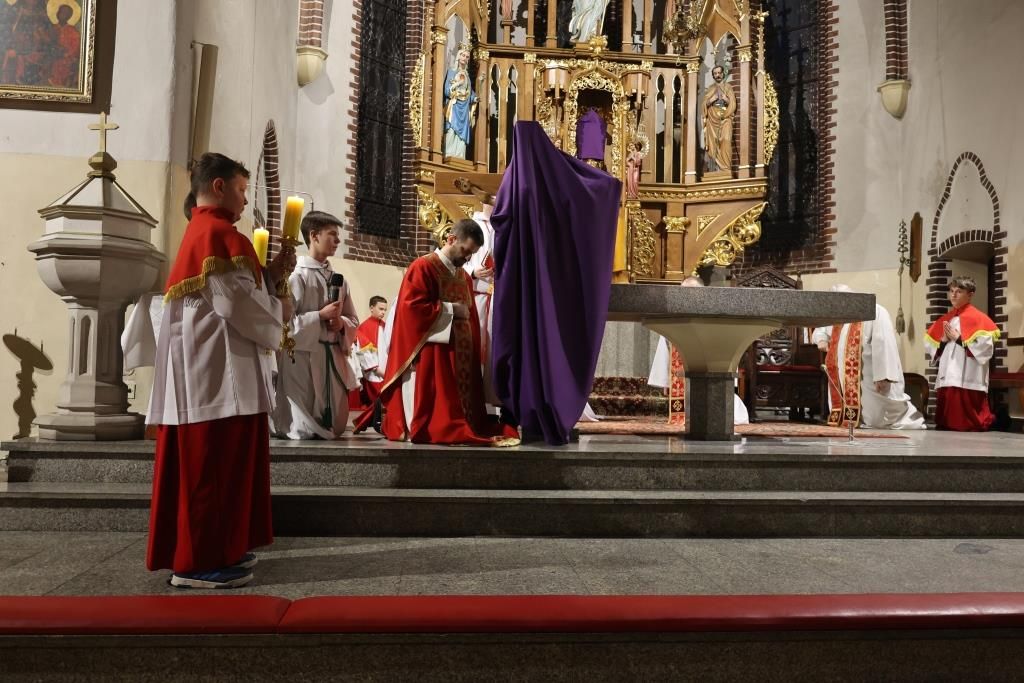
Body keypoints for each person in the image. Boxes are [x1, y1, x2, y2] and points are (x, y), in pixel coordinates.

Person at [125, 152, 294, 589]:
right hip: (216, 378)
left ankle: (221, 548)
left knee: (219, 469)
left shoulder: (203, 232)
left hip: (213, 373)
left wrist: (269, 276)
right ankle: (197, 564)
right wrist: (280, 311)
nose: (245, 200)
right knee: (211, 470)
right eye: (241, 189)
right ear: (218, 187)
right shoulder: (218, 234)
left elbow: (233, 292)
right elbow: (236, 303)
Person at [354, 219, 519, 446]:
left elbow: (470, 316)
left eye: (472, 254)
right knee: (436, 418)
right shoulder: (423, 267)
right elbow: (412, 309)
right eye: (465, 251)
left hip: (457, 356)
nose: (467, 258)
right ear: (451, 239)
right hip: (431, 356)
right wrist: (451, 309)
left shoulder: (463, 276)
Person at [273, 211, 359, 439]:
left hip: (331, 355)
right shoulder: (297, 276)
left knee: (334, 422)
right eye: (332, 234)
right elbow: (285, 325)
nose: (338, 240)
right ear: (314, 236)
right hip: (302, 356)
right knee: (302, 424)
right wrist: (319, 316)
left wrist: (341, 324)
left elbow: (353, 320)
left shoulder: (339, 279)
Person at [811, 285, 926, 430]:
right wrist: (821, 339)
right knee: (860, 410)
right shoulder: (838, 316)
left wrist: (883, 376)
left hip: (869, 374)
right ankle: (856, 420)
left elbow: (884, 343)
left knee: (877, 414)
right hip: (844, 376)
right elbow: (821, 329)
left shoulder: (874, 311)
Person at [647, 276, 749, 425]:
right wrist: (666, 382)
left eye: (691, 292)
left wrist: (728, 380)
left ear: (702, 293)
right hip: (684, 381)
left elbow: (727, 346)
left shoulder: (714, 315)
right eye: (684, 293)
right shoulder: (673, 319)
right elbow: (665, 347)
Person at [925, 276, 1001, 431]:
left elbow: (985, 349)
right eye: (951, 291)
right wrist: (943, 341)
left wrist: (959, 339)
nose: (953, 295)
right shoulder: (947, 319)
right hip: (949, 370)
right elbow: (932, 348)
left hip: (968, 372)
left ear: (970, 294)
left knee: (968, 419)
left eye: (959, 291)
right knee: (947, 417)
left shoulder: (980, 319)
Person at [463, 202, 499, 409]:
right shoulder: (472, 224)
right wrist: (473, 271)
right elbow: (454, 257)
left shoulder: (504, 224)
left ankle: (492, 401)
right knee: (475, 346)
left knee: (493, 350)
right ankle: (472, 400)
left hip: (497, 298)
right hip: (476, 294)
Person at [350, 295, 389, 411]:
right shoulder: (364, 327)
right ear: (372, 308)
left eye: (385, 310)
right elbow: (364, 353)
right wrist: (378, 370)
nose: (383, 312)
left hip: (385, 371)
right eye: (381, 309)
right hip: (374, 373)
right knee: (377, 405)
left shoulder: (385, 326)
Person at [443, 45, 477, 160]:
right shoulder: (451, 72)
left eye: (467, 57)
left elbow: (470, 94)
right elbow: (446, 90)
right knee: (452, 130)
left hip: (464, 109)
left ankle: (460, 156)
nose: (465, 58)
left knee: (462, 135)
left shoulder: (467, 76)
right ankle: (449, 153)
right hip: (454, 106)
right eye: (463, 55)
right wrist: (458, 84)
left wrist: (475, 98)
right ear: (458, 56)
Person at [701, 64, 736, 172]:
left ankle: (726, 168)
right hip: (713, 121)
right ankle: (717, 169)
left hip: (726, 119)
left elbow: (733, 104)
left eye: (719, 73)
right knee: (714, 145)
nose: (717, 75)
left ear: (723, 74)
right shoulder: (710, 89)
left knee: (726, 140)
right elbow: (703, 105)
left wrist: (726, 100)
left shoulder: (728, 87)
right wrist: (711, 100)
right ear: (713, 75)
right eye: (715, 73)